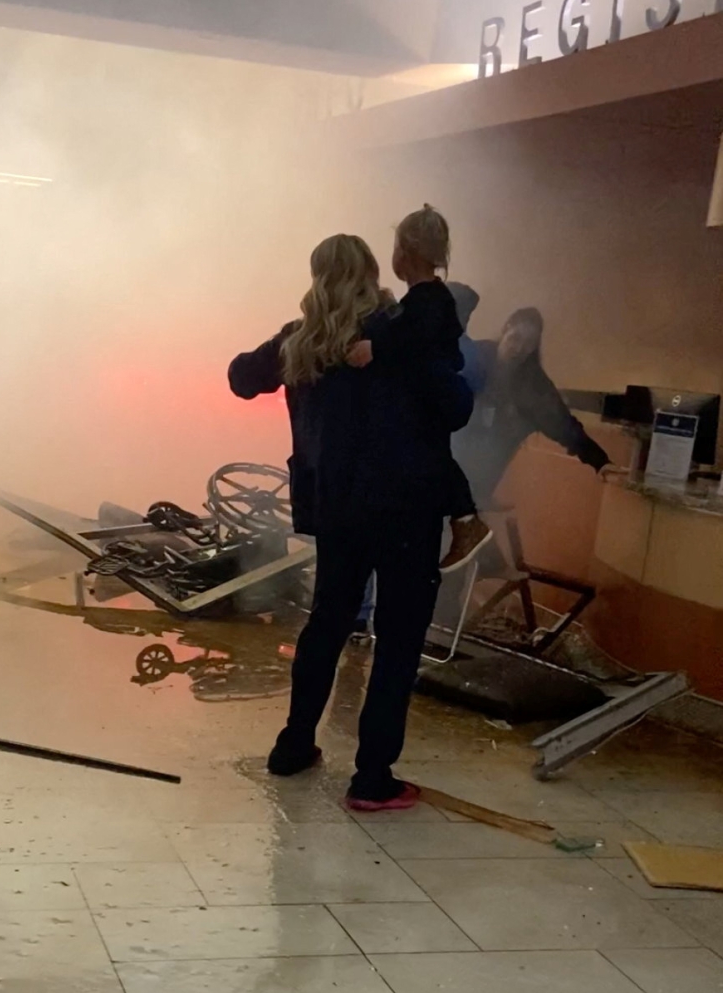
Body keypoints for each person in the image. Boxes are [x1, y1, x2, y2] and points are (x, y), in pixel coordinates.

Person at [229, 216, 473, 811]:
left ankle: (293, 746)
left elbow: (240, 377)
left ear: (317, 278)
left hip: (336, 508)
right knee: (396, 639)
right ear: (372, 273)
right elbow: (456, 406)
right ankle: (372, 778)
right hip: (406, 509)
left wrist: (296, 349)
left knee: (327, 623)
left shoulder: (300, 338)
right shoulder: (397, 332)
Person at [351, 278, 490, 637]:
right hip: (399, 469)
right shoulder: (420, 345)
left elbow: (457, 407)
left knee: (382, 554)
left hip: (401, 474)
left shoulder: (419, 349)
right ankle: (372, 618)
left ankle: (368, 617)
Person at [454, 306, 609, 508]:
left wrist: (601, 461)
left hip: (478, 488)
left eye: (529, 344)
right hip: (442, 467)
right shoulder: (475, 357)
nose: (519, 349)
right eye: (516, 338)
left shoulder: (533, 385)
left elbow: (563, 424)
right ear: (506, 328)